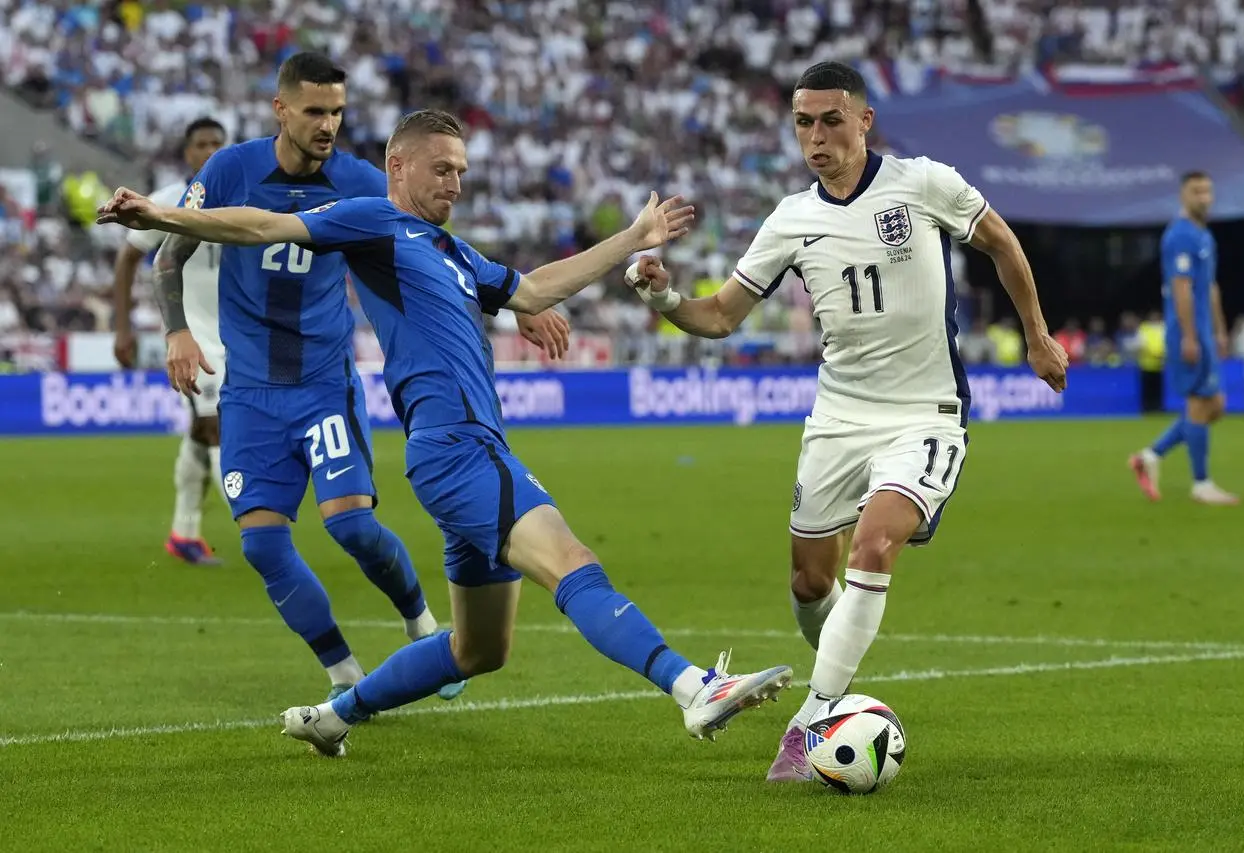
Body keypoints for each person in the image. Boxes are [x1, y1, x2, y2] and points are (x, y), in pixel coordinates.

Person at [98, 107, 793, 757]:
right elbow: (260, 227)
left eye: (462, 170)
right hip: (458, 446)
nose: (456, 182)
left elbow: (533, 290)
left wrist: (631, 239)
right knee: (573, 560)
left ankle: (336, 715)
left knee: (478, 650)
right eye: (443, 169)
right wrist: (160, 213)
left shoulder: (453, 251)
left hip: (464, 451)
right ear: (398, 166)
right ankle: (694, 686)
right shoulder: (372, 221)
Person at [622, 61, 1068, 782]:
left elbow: (1002, 243)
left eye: (832, 119)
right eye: (804, 121)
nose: (817, 135)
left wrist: (1038, 334)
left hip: (924, 414)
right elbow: (722, 315)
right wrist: (666, 296)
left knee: (874, 544)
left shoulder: (923, 183)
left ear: (864, 120)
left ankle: (811, 722)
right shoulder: (791, 220)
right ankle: (839, 686)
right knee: (807, 580)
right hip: (836, 418)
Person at [144, 53, 563, 703]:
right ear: (280, 109)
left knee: (352, 526)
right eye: (314, 110)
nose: (328, 124)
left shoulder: (362, 181)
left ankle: (421, 621)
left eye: (337, 110)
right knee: (261, 543)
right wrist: (176, 330)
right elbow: (170, 255)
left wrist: (515, 303)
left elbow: (430, 256)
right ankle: (344, 673)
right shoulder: (230, 169)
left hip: (323, 384)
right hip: (251, 391)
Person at [111, 117, 228, 565]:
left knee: (201, 435)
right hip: (192, 338)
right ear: (187, 153)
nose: (211, 150)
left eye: (218, 142)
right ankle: (260, 532)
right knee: (216, 429)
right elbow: (126, 259)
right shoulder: (167, 202)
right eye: (202, 144)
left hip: (239, 337)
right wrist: (123, 329)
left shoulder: (239, 198)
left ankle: (183, 534)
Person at [1129, 172, 1238, 505]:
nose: (1204, 196)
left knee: (1214, 405)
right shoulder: (1179, 236)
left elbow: (1211, 286)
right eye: (1196, 191)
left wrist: (1219, 329)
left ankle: (1149, 456)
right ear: (1183, 196)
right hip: (1187, 332)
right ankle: (1201, 484)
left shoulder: (1204, 235)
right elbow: (1181, 289)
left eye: (1207, 190)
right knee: (1199, 404)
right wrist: (1190, 336)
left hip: (1204, 330)